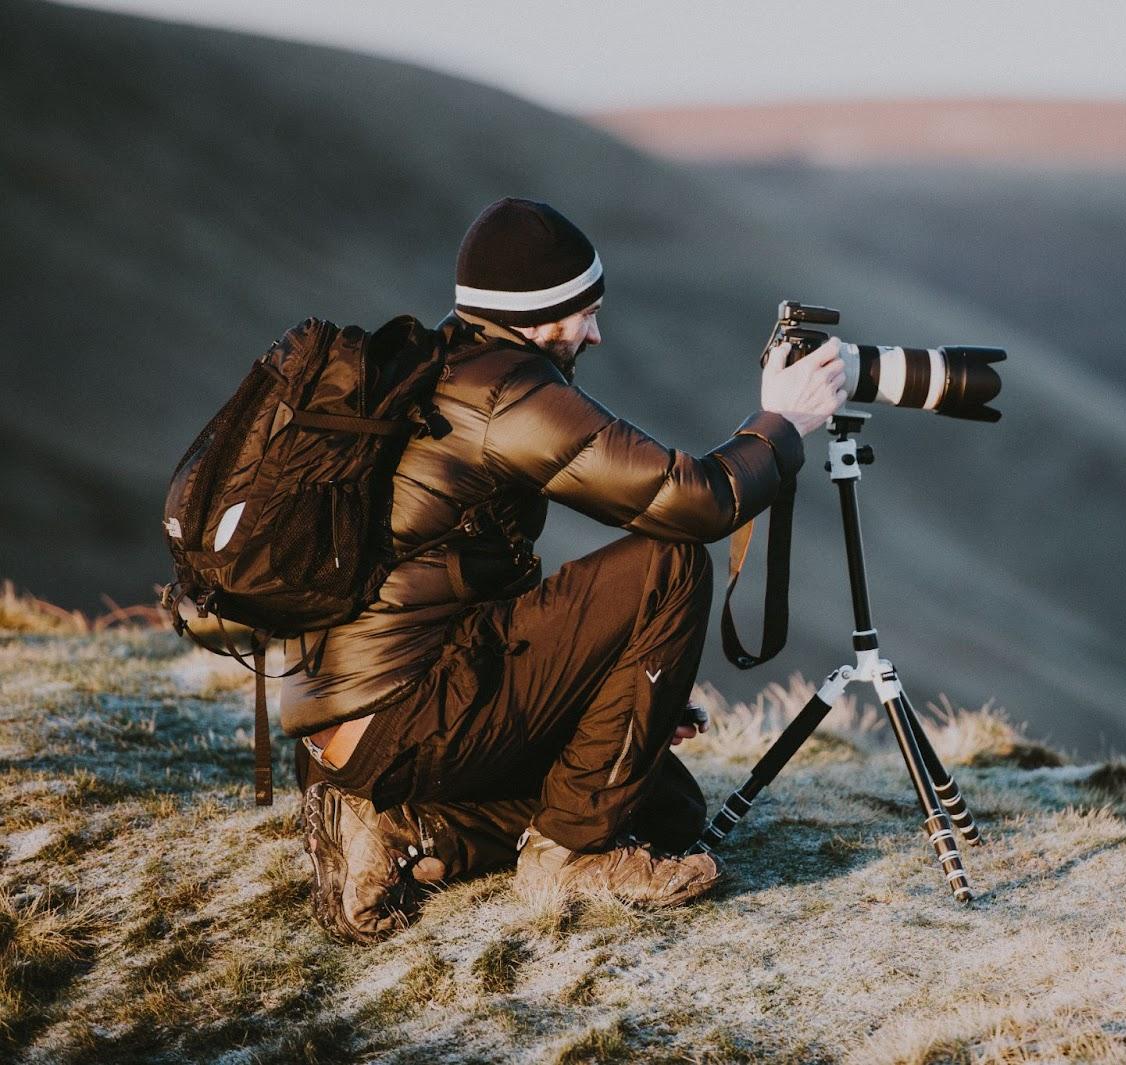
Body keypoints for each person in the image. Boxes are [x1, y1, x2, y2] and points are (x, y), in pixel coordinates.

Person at [285, 197, 846, 943]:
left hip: (344, 724)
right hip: (406, 712)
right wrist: (781, 423)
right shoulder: (506, 394)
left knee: (664, 805)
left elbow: (469, 589)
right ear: (541, 311)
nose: (596, 331)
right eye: (585, 311)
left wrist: (610, 687)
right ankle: (572, 858)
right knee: (669, 562)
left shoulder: (438, 370)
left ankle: (405, 832)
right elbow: (692, 501)